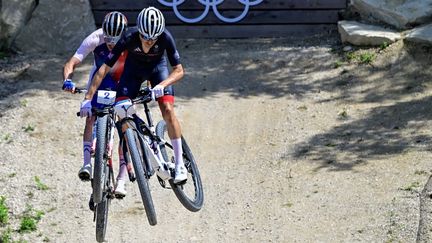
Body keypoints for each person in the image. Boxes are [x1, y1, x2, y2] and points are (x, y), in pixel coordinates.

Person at [81, 6, 188, 184]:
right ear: (139, 30)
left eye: (153, 38)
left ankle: (179, 164)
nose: (149, 42)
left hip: (157, 72)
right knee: (121, 110)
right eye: (145, 37)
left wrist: (162, 85)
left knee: (168, 110)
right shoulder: (128, 37)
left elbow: (179, 70)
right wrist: (87, 99)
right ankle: (138, 142)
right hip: (133, 75)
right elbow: (104, 69)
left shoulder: (165, 37)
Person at [62, 11, 129, 196]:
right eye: (107, 38)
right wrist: (68, 80)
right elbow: (72, 62)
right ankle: (87, 164)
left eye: (115, 40)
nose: (110, 43)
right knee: (89, 115)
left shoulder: (131, 39)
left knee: (127, 126)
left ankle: (121, 180)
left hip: (123, 79)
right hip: (100, 79)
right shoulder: (95, 37)